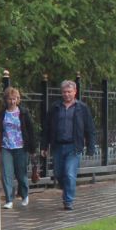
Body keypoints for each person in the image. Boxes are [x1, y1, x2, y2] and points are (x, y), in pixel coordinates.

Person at [48, 80, 96, 210]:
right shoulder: (55, 107)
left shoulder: (82, 108)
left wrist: (91, 147)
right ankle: (67, 189)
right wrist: (44, 146)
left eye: (69, 92)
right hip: (58, 146)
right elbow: (48, 127)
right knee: (58, 173)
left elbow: (89, 128)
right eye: (64, 92)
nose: (67, 94)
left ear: (75, 92)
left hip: (73, 146)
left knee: (69, 173)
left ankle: (68, 201)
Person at [0, 86, 36, 209]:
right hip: (6, 146)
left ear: (18, 99)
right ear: (6, 99)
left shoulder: (23, 113)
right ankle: (9, 199)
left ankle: (25, 195)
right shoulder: (2, 113)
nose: (12, 101)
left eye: (14, 99)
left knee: (21, 174)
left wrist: (32, 149)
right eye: (10, 99)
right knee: (6, 174)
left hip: (20, 147)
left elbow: (30, 131)